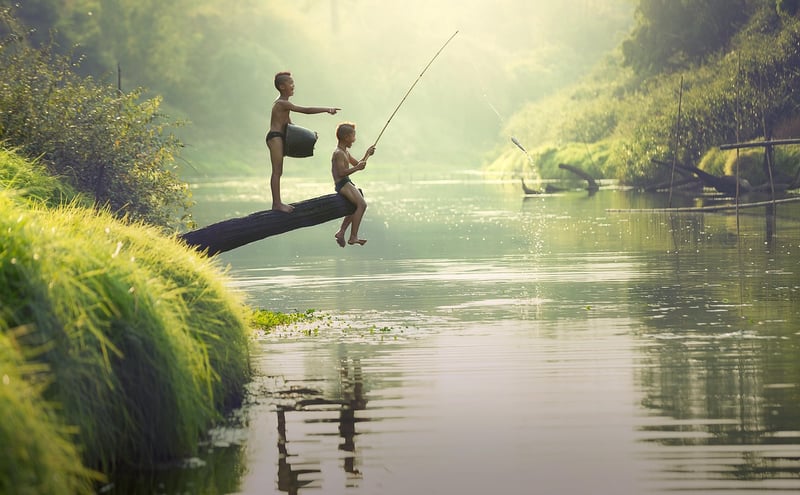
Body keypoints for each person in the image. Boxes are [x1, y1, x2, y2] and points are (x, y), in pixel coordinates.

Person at [267, 71, 340, 213]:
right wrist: (327, 109)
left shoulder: (284, 104)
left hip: (280, 137)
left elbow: (290, 126)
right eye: (291, 83)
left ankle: (278, 203)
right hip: (275, 137)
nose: (293, 86)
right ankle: (276, 204)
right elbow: (306, 110)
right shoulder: (282, 103)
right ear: (282, 86)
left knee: (278, 171)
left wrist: (309, 136)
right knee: (277, 172)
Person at [332, 122, 375, 247]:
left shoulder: (345, 152)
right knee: (362, 204)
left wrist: (367, 154)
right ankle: (353, 237)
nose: (354, 140)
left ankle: (341, 232)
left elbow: (358, 165)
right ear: (346, 137)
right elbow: (341, 173)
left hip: (347, 182)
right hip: (342, 183)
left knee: (354, 206)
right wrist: (357, 168)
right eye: (353, 137)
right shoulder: (339, 153)